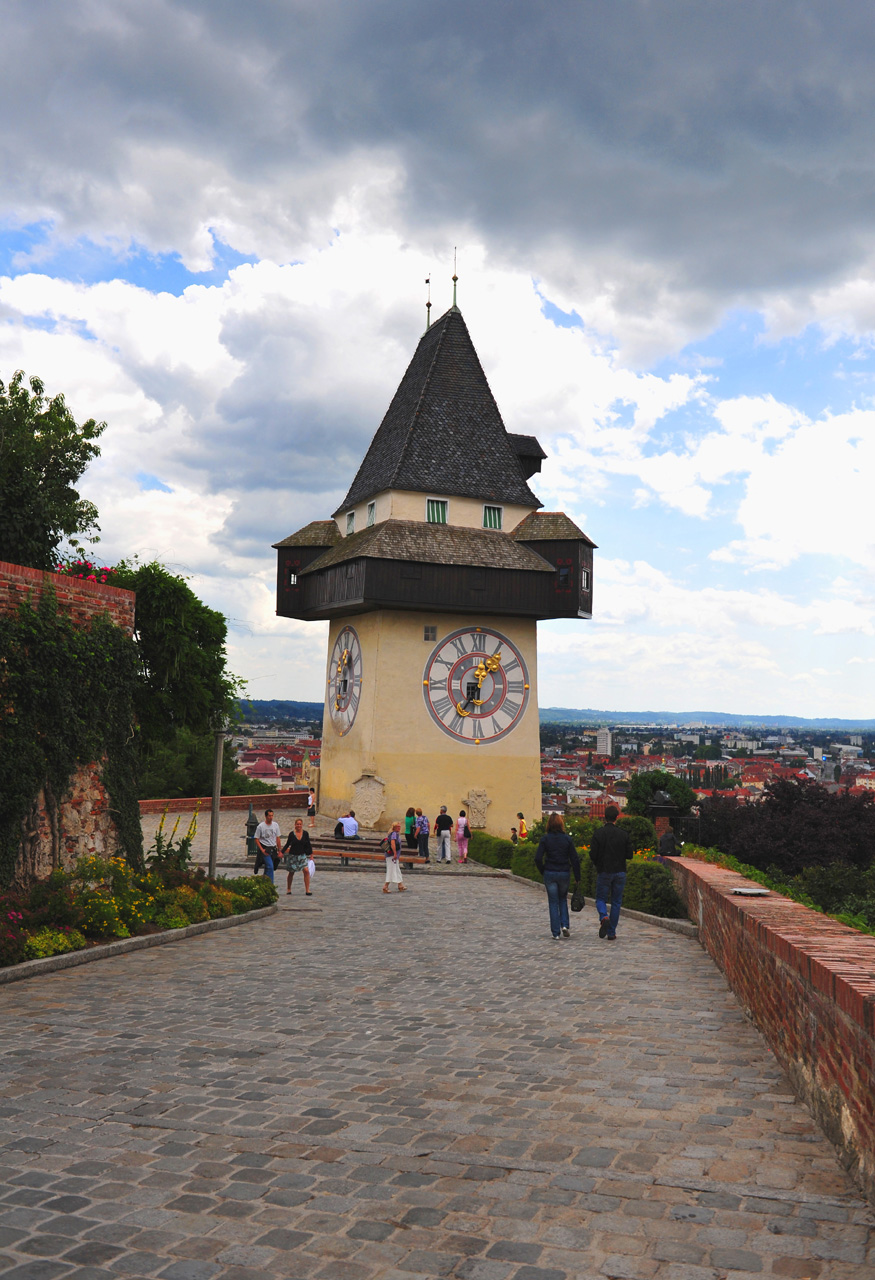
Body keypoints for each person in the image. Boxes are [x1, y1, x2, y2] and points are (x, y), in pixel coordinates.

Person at [534, 813, 581, 941]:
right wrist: (578, 876)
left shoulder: (545, 839)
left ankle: (555, 933)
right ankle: (565, 925)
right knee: (562, 899)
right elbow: (574, 859)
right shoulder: (567, 839)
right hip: (564, 872)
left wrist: (543, 870)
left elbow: (538, 858)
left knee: (553, 902)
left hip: (550, 871)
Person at [590, 805, 633, 941]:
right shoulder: (624, 834)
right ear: (617, 817)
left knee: (601, 898)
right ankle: (611, 931)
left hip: (604, 870)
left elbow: (593, 854)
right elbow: (630, 855)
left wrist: (598, 863)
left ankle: (604, 916)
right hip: (620, 871)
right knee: (616, 902)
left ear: (604, 816)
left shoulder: (598, 833)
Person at [281, 817, 312, 896]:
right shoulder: (291, 834)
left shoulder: (305, 833)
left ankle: (307, 889)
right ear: (295, 825)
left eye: (300, 824)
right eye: (297, 824)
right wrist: (282, 852)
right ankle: (289, 888)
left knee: (306, 871)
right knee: (291, 872)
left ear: (302, 825)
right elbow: (287, 844)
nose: (299, 826)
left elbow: (308, 844)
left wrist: (311, 855)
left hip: (302, 855)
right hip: (293, 856)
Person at [254, 809, 281, 883]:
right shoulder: (261, 826)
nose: (271, 817)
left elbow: (278, 838)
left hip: (273, 848)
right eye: (269, 816)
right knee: (270, 866)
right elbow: (256, 839)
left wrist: (279, 850)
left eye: (272, 815)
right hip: (265, 848)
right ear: (266, 816)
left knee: (268, 868)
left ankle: (263, 882)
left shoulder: (275, 825)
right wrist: (262, 850)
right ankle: (271, 884)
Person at [383, 822, 407, 893]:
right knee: (391, 870)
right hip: (392, 856)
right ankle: (385, 886)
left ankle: (400, 885)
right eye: (398, 827)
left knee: (396, 869)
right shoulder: (393, 834)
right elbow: (393, 843)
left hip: (394, 856)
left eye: (400, 826)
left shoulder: (395, 834)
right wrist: (395, 854)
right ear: (394, 827)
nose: (399, 828)